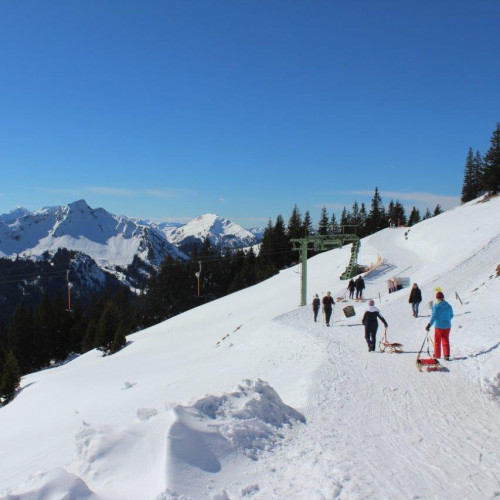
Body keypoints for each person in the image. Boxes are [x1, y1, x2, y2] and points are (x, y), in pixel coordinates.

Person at [426, 291, 454, 360]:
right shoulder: (449, 306)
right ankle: (446, 355)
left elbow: (434, 317)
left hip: (439, 326)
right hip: (447, 326)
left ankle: (437, 355)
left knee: (437, 341)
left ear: (437, 298)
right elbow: (451, 315)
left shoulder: (436, 306)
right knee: (445, 340)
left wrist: (429, 325)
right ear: (443, 297)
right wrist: (446, 320)